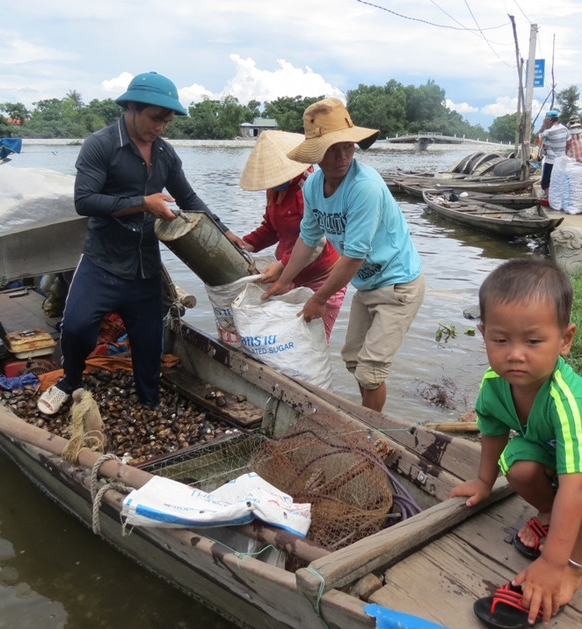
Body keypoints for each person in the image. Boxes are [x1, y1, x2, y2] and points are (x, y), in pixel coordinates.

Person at [451, 257, 582, 629]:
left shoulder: (568, 400)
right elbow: (492, 432)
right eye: (500, 340)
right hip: (554, 454)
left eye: (533, 341)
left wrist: (555, 563)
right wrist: (484, 482)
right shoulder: (494, 384)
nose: (515, 354)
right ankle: (548, 515)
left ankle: (574, 567)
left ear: (565, 340)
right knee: (518, 463)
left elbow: (578, 484)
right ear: (483, 333)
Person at [38, 72, 224, 415]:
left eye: (167, 121)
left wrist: (224, 232)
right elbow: (85, 201)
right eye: (156, 118)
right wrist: (143, 203)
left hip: (144, 267)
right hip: (102, 261)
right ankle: (70, 380)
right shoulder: (101, 144)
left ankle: (149, 401)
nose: (161, 127)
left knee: (149, 343)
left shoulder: (165, 154)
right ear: (132, 107)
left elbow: (189, 199)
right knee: (77, 327)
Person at [262, 98, 424, 413]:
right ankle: (369, 417)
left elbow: (353, 257)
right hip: (367, 286)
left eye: (347, 146)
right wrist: (285, 280)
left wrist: (319, 298)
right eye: (333, 149)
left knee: (370, 370)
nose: (343, 156)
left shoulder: (364, 187)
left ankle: (372, 431)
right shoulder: (313, 186)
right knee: (352, 359)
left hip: (398, 285)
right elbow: (307, 239)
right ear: (316, 153)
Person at [225, 130, 346, 342]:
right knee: (287, 336)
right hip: (292, 274)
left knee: (314, 339)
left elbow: (317, 239)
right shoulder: (275, 188)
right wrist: (248, 244)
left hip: (322, 276)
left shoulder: (309, 187)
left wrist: (282, 264)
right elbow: (272, 227)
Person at [535, 110, 570, 197]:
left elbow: (537, 136)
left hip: (551, 160)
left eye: (546, 119)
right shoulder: (565, 129)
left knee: (546, 181)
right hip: (562, 160)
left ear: (549, 119)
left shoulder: (549, 132)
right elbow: (569, 144)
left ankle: (548, 196)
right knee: (558, 180)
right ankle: (558, 197)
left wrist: (544, 126)